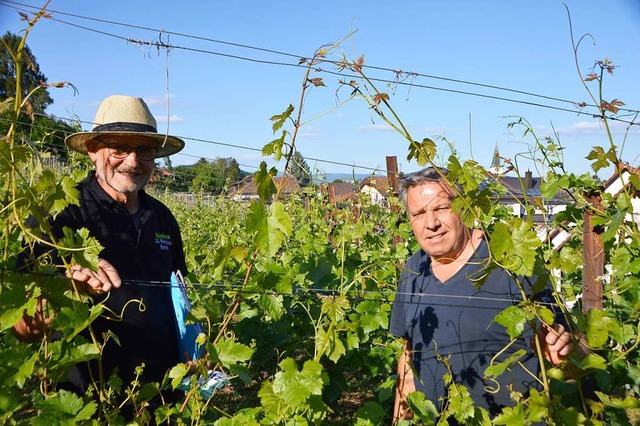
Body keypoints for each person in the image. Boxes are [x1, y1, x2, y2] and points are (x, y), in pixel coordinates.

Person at [13, 95, 188, 410]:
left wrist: (191, 346)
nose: (133, 162)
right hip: (90, 402)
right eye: (119, 148)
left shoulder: (163, 217)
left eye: (144, 150)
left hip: (162, 399)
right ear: (93, 150)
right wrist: (68, 289)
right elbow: (21, 328)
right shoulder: (58, 215)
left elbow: (180, 299)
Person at [389, 167, 579, 421]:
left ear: (466, 208)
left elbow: (571, 351)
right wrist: (399, 418)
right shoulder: (414, 268)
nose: (431, 223)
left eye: (441, 209)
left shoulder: (509, 262)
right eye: (419, 213)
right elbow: (409, 356)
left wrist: (562, 351)